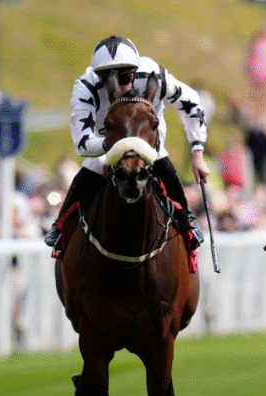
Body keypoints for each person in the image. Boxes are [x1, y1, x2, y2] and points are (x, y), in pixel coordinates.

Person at [44, 35, 210, 250]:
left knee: (166, 168)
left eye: (124, 77)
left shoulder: (153, 74)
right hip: (107, 146)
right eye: (107, 78)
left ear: (135, 71)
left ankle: (186, 220)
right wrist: (116, 145)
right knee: (91, 168)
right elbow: (82, 143)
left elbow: (191, 103)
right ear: (97, 76)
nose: (118, 87)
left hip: (150, 144)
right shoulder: (85, 87)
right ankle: (60, 226)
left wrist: (198, 154)